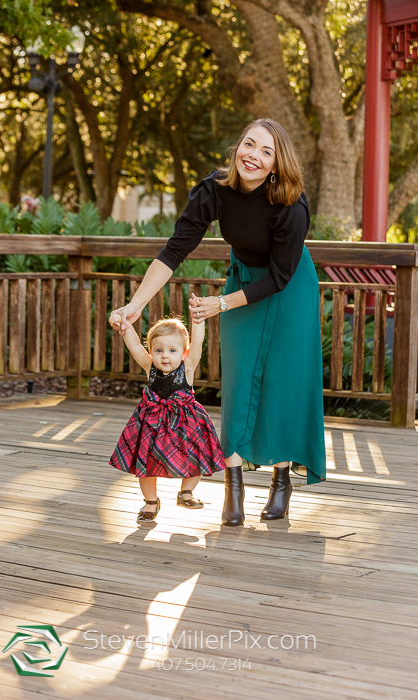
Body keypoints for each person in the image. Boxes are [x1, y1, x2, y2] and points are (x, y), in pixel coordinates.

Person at [110, 117, 326, 527]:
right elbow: (175, 250)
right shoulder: (215, 191)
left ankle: (282, 479)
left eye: (267, 152)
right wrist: (136, 305)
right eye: (249, 144)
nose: (254, 156)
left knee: (281, 382)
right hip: (243, 281)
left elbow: (280, 277)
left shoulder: (291, 206)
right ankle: (234, 485)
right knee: (239, 379)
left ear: (277, 164)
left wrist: (221, 304)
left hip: (290, 288)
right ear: (237, 148)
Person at [109, 316, 226, 523]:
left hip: (184, 424)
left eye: (172, 350)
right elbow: (135, 345)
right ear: (152, 351)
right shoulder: (150, 367)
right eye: (158, 350)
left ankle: (186, 493)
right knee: (144, 465)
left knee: (196, 457)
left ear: (184, 353)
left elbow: (198, 343)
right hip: (151, 424)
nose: (165, 356)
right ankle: (150, 501)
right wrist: (126, 328)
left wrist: (198, 321)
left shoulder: (187, 367)